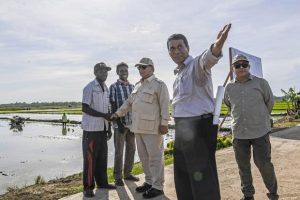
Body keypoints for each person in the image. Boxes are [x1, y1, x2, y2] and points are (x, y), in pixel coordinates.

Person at [166, 24, 231, 200]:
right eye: (172, 48)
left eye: (180, 46)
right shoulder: (178, 74)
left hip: (199, 127)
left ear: (188, 48)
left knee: (202, 178)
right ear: (169, 53)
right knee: (183, 175)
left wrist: (218, 44)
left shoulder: (196, 66)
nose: (176, 51)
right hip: (182, 128)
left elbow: (208, 58)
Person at [111, 57, 170, 199]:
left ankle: (158, 186)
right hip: (137, 128)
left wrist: (164, 123)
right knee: (144, 157)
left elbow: (165, 105)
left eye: (144, 67)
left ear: (152, 68)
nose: (141, 70)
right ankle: (149, 182)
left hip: (153, 129)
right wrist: (117, 114)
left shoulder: (159, 85)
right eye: (139, 68)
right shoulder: (138, 85)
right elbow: (128, 103)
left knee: (155, 158)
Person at [224, 54, 279, 200]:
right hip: (239, 133)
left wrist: (261, 118)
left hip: (260, 131)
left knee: (263, 163)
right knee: (243, 166)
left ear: (249, 66)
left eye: (244, 64)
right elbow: (228, 105)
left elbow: (270, 102)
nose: (241, 67)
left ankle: (273, 194)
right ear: (233, 69)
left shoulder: (261, 83)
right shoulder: (229, 87)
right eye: (237, 65)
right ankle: (248, 195)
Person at [81, 62, 116, 198]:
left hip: (102, 129)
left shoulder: (105, 88)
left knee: (102, 158)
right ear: (95, 72)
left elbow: (106, 109)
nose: (104, 74)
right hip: (91, 130)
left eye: (106, 71)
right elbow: (85, 108)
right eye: (101, 71)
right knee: (90, 159)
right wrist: (103, 116)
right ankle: (88, 187)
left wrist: (108, 128)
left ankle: (102, 183)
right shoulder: (89, 87)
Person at [109, 62, 139, 186]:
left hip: (131, 124)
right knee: (119, 151)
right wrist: (119, 123)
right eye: (121, 71)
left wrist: (135, 123)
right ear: (117, 72)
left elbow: (135, 105)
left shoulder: (133, 87)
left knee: (131, 149)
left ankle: (128, 173)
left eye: (125, 70)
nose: (124, 72)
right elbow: (113, 104)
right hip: (119, 125)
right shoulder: (114, 86)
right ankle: (117, 177)